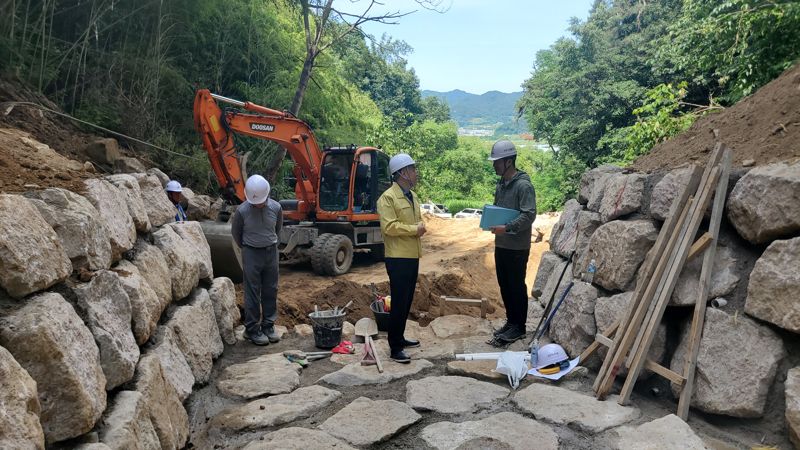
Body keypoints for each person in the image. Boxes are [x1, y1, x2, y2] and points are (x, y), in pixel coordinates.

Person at [377, 153, 425, 363]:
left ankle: (400, 337)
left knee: (406, 301)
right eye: (412, 169)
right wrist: (415, 229)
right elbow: (389, 227)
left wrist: (418, 227)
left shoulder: (413, 197)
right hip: (397, 258)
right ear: (403, 173)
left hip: (412, 256)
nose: (416, 173)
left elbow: (418, 221)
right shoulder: (387, 198)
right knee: (398, 301)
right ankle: (395, 347)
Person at [487, 140, 536, 344]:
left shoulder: (523, 186)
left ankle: (519, 326)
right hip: (502, 244)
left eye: (497, 161)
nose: (494, 165)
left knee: (516, 286)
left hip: (517, 247)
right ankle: (511, 321)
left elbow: (529, 215)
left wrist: (506, 227)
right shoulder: (501, 184)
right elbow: (501, 210)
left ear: (508, 161)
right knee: (505, 285)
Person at [231, 175, 283, 346]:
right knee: (252, 291)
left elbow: (278, 229)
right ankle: (252, 329)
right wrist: (248, 248)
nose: (257, 204)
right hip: (251, 253)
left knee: (270, 289)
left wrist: (270, 243)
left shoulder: (276, 208)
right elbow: (236, 234)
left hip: (271, 252)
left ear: (267, 195)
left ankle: (268, 326)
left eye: (260, 202)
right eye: (254, 202)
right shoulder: (242, 211)